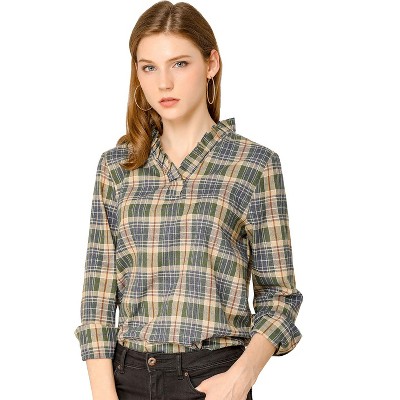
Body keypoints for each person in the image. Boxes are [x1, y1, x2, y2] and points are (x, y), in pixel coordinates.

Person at [73, 1, 303, 399]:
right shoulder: (117, 167)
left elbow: (279, 296)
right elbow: (97, 298)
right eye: (149, 67)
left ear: (211, 63)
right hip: (126, 379)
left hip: (213, 378)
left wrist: (241, 377)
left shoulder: (254, 164)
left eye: (179, 64)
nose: (164, 83)